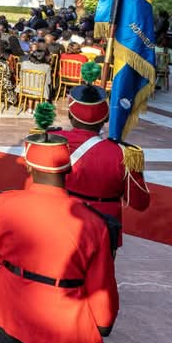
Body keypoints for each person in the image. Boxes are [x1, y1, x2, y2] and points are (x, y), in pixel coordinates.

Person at [0, 113, 118, 343]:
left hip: (12, 307)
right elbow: (101, 285)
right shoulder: (94, 223)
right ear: (67, 170)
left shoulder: (1, 204)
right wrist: (103, 323)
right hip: (65, 321)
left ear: (29, 167)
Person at [60, 64, 151, 247]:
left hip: (61, 218)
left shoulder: (53, 141)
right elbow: (139, 202)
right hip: (103, 227)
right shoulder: (123, 154)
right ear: (106, 118)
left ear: (70, 115)